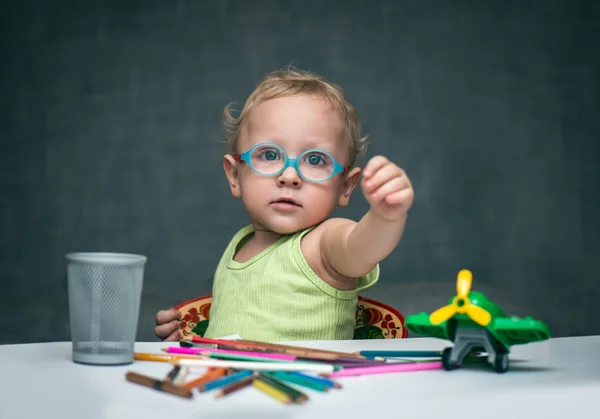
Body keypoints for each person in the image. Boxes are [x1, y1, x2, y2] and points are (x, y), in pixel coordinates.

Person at [154, 67, 414, 342]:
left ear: (345, 186)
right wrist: (191, 338)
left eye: (315, 160)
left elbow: (363, 246)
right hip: (232, 383)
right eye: (268, 154)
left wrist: (386, 216)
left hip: (307, 384)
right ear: (235, 175)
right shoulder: (239, 245)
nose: (289, 176)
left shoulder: (323, 245)